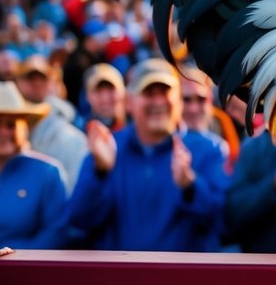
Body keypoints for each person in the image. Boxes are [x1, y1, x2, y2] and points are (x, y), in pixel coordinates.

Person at [68, 63, 230, 251]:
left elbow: (224, 222)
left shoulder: (208, 150)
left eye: (164, 93)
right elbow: (79, 220)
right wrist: (100, 173)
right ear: (129, 103)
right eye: (149, 94)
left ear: (177, 101)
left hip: (180, 277)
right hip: (119, 276)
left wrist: (190, 186)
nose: (158, 102)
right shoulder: (108, 148)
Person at [0, 81, 68, 248]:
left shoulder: (47, 173)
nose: (3, 132)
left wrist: (14, 265)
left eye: (12, 125)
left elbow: (57, 233)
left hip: (26, 272)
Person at [13, 55, 88, 194]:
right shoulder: (4, 127)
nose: (36, 83)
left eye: (42, 78)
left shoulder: (72, 137)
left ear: (51, 83)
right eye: (30, 77)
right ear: (17, 81)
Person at [83, 63, 128, 132]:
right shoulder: (79, 134)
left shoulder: (140, 132)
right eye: (98, 90)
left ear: (123, 93)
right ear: (88, 97)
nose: (105, 98)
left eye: (111, 89)